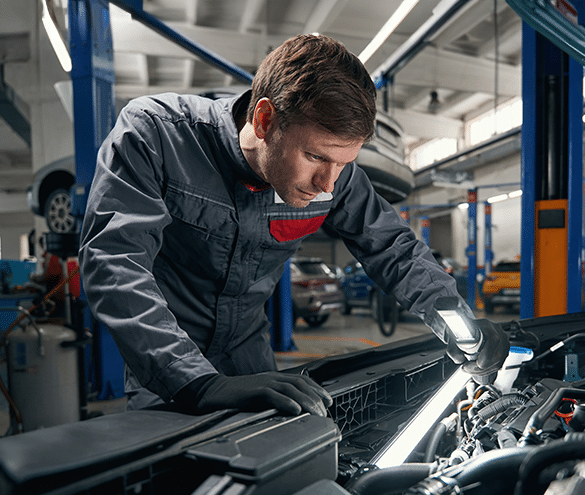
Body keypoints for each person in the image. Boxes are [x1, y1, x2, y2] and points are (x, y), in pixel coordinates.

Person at [79, 34, 508, 417]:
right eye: (317, 158)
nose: (328, 183)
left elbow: (393, 248)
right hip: (167, 369)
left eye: (344, 163)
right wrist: (198, 381)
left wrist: (460, 322)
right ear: (265, 121)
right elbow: (114, 261)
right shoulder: (156, 134)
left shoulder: (337, 178)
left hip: (254, 363)